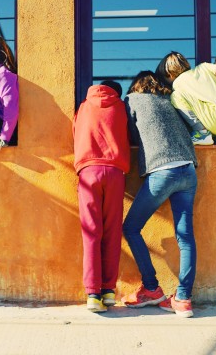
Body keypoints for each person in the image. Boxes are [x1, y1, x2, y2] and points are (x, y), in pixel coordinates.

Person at [122, 71, 198, 318]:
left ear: (136, 86)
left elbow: (131, 136)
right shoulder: (170, 101)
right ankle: (183, 299)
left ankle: (152, 288)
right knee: (185, 237)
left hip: (162, 172)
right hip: (188, 169)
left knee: (131, 228)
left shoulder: (133, 100)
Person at [73, 80, 130, 312]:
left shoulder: (84, 107)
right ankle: (108, 291)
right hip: (115, 172)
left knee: (91, 233)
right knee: (112, 232)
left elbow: (75, 133)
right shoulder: (120, 107)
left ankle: (93, 294)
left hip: (88, 171)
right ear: (117, 92)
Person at [156, 52, 216, 146]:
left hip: (212, 123)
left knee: (175, 97)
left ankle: (202, 133)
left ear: (169, 74)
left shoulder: (177, 84)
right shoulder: (203, 68)